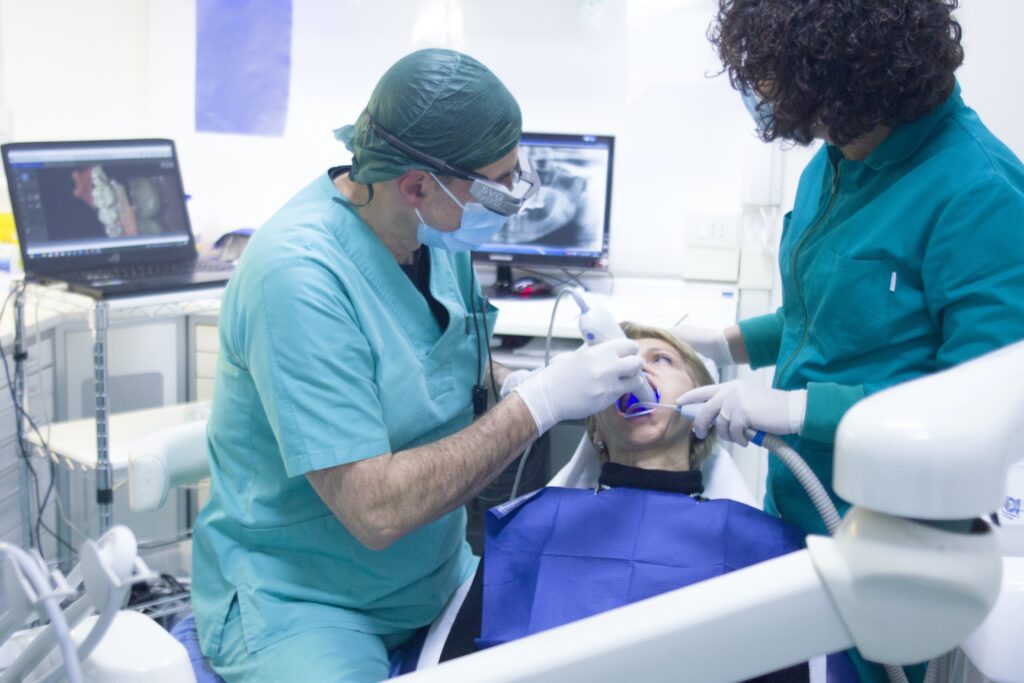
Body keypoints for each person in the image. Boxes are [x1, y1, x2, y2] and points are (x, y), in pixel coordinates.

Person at [191, 48, 645, 683]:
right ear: (415, 185)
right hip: (303, 598)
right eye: (495, 186)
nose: (510, 200)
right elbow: (376, 512)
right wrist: (538, 405)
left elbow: (437, 368)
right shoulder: (297, 278)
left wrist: (517, 383)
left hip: (432, 574)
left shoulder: (431, 235)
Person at [674, 2, 1024, 680]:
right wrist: (724, 342)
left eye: (784, 92)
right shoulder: (837, 162)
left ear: (846, 87)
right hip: (798, 509)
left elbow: (981, 411)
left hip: (890, 544)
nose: (766, 104)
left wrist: (800, 410)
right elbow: (829, 311)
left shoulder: (980, 193)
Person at [418, 324, 854, 682]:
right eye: (621, 369)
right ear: (594, 431)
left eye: (661, 360)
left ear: (705, 408)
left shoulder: (764, 549)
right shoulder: (526, 527)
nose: (638, 375)